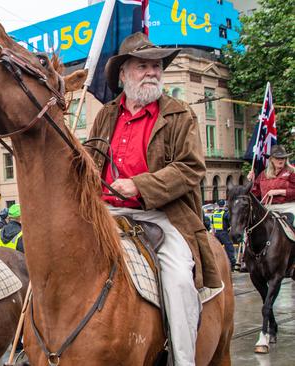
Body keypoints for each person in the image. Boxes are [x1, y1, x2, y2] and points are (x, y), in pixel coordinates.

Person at [88, 32, 221, 366]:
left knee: (177, 280)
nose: (152, 72)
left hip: (163, 215)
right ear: (123, 74)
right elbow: (91, 163)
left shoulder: (180, 114)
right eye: (142, 66)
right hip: (106, 213)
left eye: (156, 66)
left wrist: (139, 185)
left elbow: (191, 168)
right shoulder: (105, 115)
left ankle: (183, 359)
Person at [248, 145, 295, 221]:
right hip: (267, 208)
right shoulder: (263, 174)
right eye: (277, 158)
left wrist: (279, 192)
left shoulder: (292, 172)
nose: (280, 160)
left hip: (288, 207)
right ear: (271, 159)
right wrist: (251, 182)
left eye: (283, 158)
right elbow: (254, 194)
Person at [212, 200, 236, 271]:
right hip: (224, 233)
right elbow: (231, 224)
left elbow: (213, 226)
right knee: (229, 249)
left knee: (216, 250)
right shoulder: (225, 213)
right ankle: (232, 266)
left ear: (218, 205)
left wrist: (213, 234)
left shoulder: (215, 213)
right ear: (224, 204)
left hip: (217, 233)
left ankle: (216, 265)